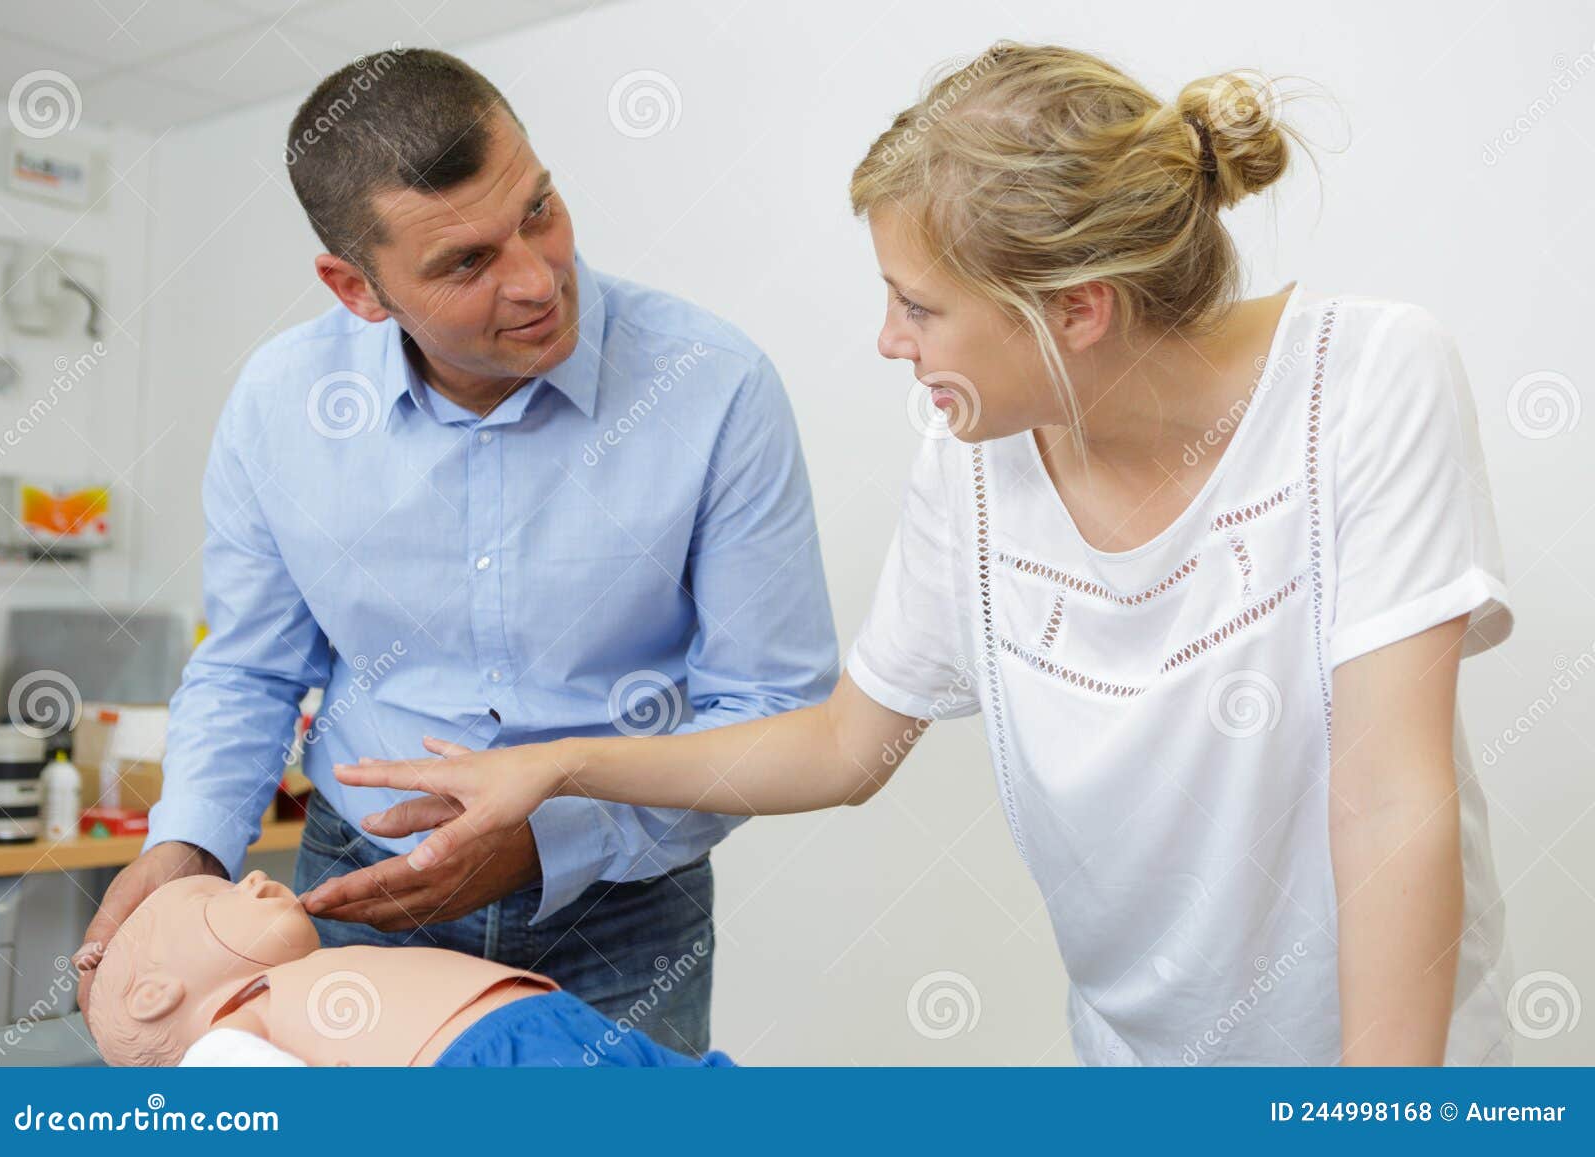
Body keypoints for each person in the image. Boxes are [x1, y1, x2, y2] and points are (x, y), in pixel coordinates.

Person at [338, 42, 1517, 1066]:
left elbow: (1388, 796)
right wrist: (556, 764)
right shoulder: (972, 456)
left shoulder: (1365, 378)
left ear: (1075, 310)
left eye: (918, 304)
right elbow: (845, 747)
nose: (889, 340)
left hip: (1391, 1059)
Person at [76, 48, 838, 1058]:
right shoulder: (279, 406)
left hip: (621, 911)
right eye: (465, 262)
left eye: (537, 209)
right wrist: (188, 843)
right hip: (348, 892)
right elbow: (252, 665)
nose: (535, 279)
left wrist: (549, 839)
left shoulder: (715, 387)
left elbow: (773, 713)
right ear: (356, 287)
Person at [77, 871, 732, 1068]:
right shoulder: (223, 1044)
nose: (248, 875)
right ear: (155, 993)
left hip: (546, 1028)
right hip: (495, 1060)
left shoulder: (296, 987)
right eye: (209, 898)